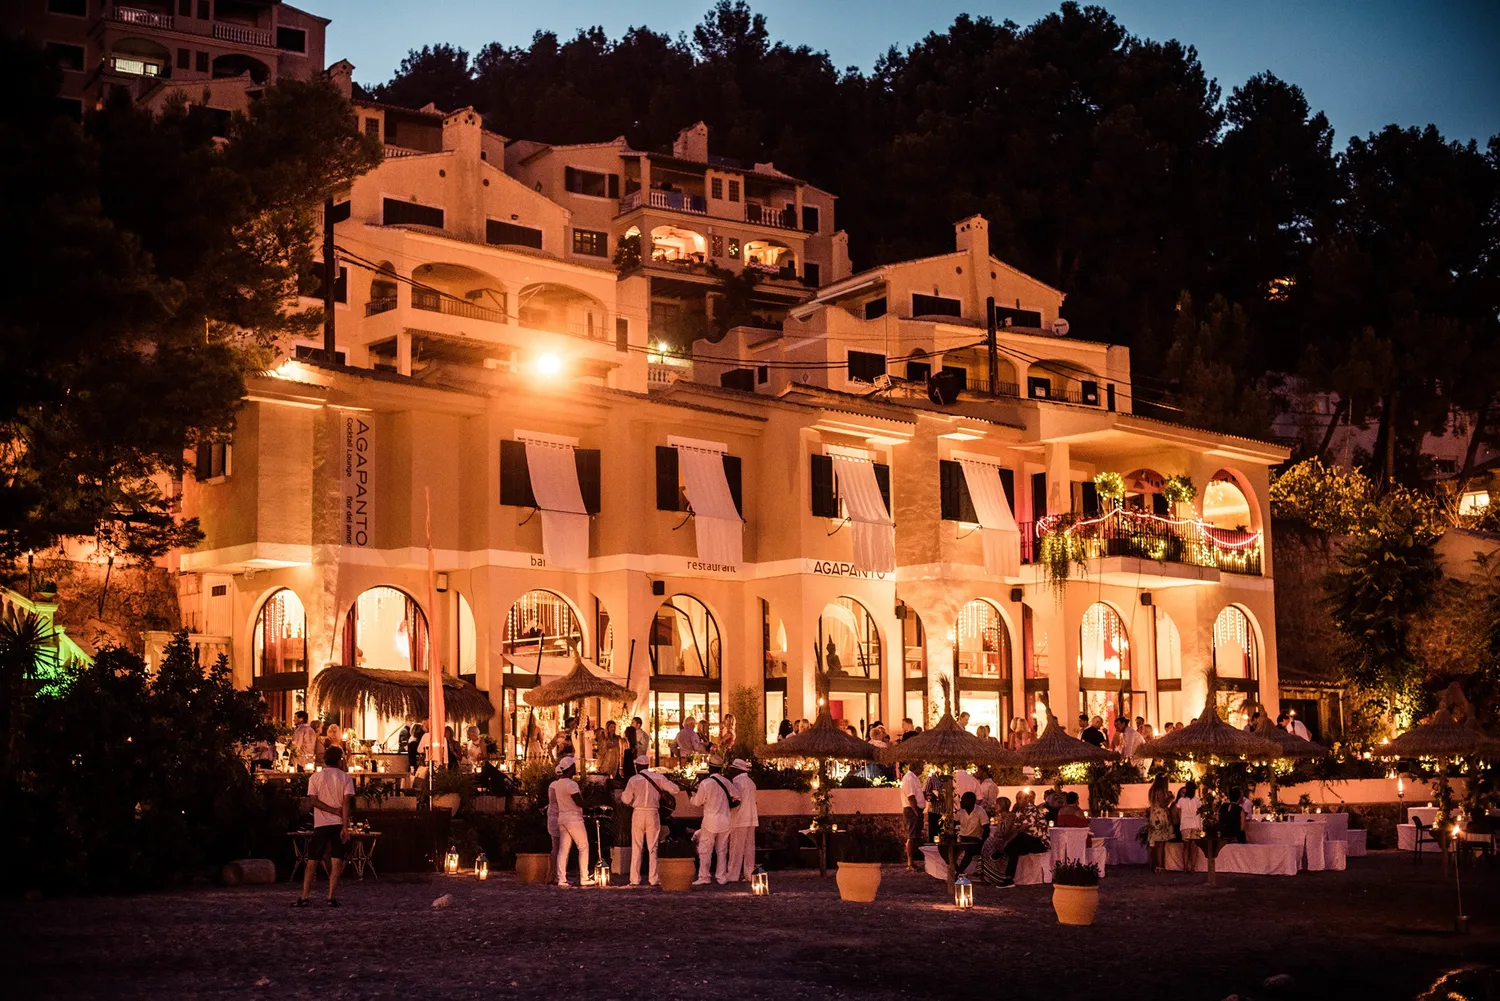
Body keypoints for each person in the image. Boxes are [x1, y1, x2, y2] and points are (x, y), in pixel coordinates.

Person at [295, 746, 354, 907]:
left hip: (320, 823)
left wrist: (329, 810)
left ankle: (305, 896)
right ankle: (331, 896)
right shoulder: (346, 778)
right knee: (337, 860)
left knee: (312, 860)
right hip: (337, 824)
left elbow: (313, 801)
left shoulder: (315, 778)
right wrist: (345, 825)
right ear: (340, 760)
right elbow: (346, 803)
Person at [620, 754, 680, 886]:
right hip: (653, 813)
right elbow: (675, 790)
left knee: (637, 846)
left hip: (638, 813)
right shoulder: (658, 777)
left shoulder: (634, 780)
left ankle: (635, 879)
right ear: (648, 765)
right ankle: (653, 878)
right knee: (653, 847)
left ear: (637, 766)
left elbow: (626, 799)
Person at [690, 755, 734, 885]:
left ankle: (704, 876)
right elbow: (736, 796)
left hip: (710, 821)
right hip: (725, 820)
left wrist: (691, 797)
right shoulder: (726, 782)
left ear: (709, 767)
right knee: (722, 850)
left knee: (705, 850)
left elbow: (697, 802)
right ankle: (721, 877)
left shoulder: (705, 783)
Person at [994, 789, 1050, 888]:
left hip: (1039, 842)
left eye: (1020, 798)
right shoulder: (1020, 811)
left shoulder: (1032, 810)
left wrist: (1006, 842)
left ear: (1027, 799)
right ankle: (1008, 878)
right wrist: (1006, 841)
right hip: (1026, 842)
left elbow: (1021, 829)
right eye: (1016, 798)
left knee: (1020, 837)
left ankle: (1003, 855)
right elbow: (1014, 828)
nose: (1017, 800)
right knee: (1013, 849)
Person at [550, 757, 593, 887]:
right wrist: (592, 803)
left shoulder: (558, 784)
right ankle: (584, 877)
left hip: (562, 818)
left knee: (563, 850)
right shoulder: (571, 784)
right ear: (570, 768)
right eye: (574, 766)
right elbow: (579, 802)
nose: (576, 767)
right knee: (583, 847)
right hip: (574, 818)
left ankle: (561, 878)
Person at [726, 758, 759, 882]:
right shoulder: (751, 782)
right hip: (751, 818)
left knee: (736, 848)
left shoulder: (736, 782)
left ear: (736, 770)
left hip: (739, 819)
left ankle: (732, 875)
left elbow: (736, 800)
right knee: (749, 848)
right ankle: (749, 874)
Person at [900, 760, 927, 869]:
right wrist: (916, 812)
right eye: (922, 768)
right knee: (912, 836)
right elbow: (911, 797)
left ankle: (912, 861)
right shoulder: (909, 779)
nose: (923, 770)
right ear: (917, 768)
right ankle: (910, 862)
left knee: (915, 836)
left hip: (914, 810)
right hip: (912, 810)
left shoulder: (913, 778)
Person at [1173, 780, 1204, 872]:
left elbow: (1178, 812)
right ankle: (1193, 868)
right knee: (1194, 847)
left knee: (1186, 847)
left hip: (1185, 825)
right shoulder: (1197, 800)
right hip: (1195, 825)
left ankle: (1185, 867)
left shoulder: (1181, 800)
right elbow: (1200, 811)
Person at [954, 791, 988, 874]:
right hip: (962, 838)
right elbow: (953, 823)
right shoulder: (960, 811)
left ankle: (959, 873)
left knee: (969, 851)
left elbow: (986, 828)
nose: (961, 802)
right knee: (950, 852)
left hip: (975, 839)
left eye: (963, 800)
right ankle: (958, 871)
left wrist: (983, 842)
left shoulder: (980, 811)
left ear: (971, 802)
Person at [1147, 774, 1173, 872]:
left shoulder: (1152, 791)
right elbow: (1163, 804)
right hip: (1160, 817)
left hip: (1154, 815)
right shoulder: (1160, 791)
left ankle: (1154, 864)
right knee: (1160, 843)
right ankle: (1160, 865)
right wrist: (1170, 798)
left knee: (1154, 843)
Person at [923, 769, 948, 842]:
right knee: (934, 834)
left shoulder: (947, 779)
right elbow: (925, 793)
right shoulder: (931, 778)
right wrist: (935, 796)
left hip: (945, 811)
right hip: (935, 811)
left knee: (945, 835)